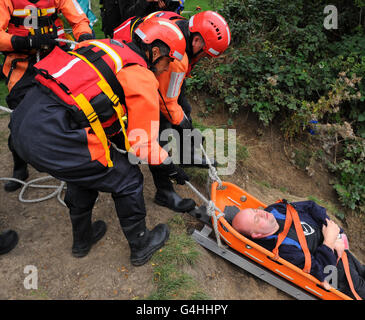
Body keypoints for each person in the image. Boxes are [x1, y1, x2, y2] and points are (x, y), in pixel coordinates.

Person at [9, 17, 188, 266]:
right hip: (52, 135)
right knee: (128, 178)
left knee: (88, 168)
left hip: (23, 123)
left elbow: (95, 103)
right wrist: (170, 167)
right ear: (155, 51)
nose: (168, 68)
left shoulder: (104, 46)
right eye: (169, 61)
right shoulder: (141, 76)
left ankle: (82, 240)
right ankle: (141, 244)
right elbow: (142, 143)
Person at [113, 10, 231, 213]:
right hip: (134, 71)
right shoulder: (177, 58)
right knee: (160, 131)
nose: (205, 58)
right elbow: (164, 102)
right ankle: (165, 192)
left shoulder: (180, 24)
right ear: (196, 41)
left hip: (146, 58)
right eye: (206, 53)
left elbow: (174, 97)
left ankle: (187, 155)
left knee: (184, 109)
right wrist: (182, 122)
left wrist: (184, 118)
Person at [0, 0, 94, 192]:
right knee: (19, 117)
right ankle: (20, 166)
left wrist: (84, 36)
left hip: (55, 58)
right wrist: (22, 41)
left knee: (70, 111)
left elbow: (79, 19)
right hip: (22, 63)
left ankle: (73, 165)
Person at [231, 200, 365, 299]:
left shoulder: (276, 210)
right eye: (256, 219)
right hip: (340, 277)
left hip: (344, 255)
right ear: (257, 235)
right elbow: (322, 271)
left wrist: (336, 234)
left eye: (255, 211)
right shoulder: (284, 250)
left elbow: (310, 206)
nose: (261, 213)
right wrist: (329, 241)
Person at [100, 0, 183, 38]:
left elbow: (148, 13)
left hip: (144, 30)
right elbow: (127, 16)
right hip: (124, 33)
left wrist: (162, 7)